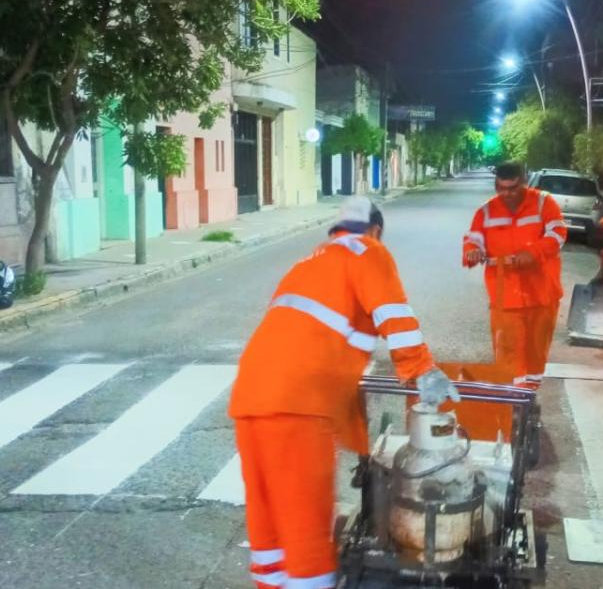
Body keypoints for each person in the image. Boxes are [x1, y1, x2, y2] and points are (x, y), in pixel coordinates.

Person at [229, 197, 460, 589]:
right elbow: (393, 314)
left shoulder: (307, 263)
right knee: (306, 524)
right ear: (376, 231)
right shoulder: (369, 251)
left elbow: (314, 335)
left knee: (269, 522)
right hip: (299, 404)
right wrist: (423, 370)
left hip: (251, 397)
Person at [461, 162, 567, 389]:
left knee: (536, 352)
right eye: (501, 188)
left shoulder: (543, 203)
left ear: (524, 182)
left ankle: (529, 397)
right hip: (504, 294)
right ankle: (514, 401)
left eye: (513, 189)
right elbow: (473, 239)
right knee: (508, 350)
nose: (506, 194)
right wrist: (471, 252)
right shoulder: (486, 211)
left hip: (541, 292)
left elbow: (558, 234)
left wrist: (533, 253)